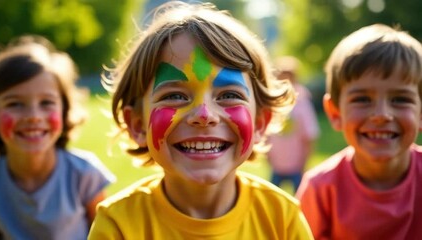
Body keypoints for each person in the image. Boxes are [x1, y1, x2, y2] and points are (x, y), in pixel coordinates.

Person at [88, 1, 313, 239]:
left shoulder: (282, 220)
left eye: (229, 95)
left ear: (260, 123)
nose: (204, 115)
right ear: (137, 125)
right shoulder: (118, 226)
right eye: (175, 96)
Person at [295, 23, 422, 239]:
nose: (381, 114)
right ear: (335, 113)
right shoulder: (320, 189)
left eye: (400, 99)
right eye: (362, 99)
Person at [0, 35, 115, 239]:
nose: (33, 116)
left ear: (65, 109)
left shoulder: (82, 174)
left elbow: (105, 234)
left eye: (46, 103)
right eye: (14, 104)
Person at [266, 56, 319, 193]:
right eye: (280, 77)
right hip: (277, 165)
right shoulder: (272, 103)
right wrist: (268, 155)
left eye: (288, 77)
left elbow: (310, 135)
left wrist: (305, 161)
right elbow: (267, 131)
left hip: (296, 165)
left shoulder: (302, 103)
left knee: (300, 202)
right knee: (272, 201)